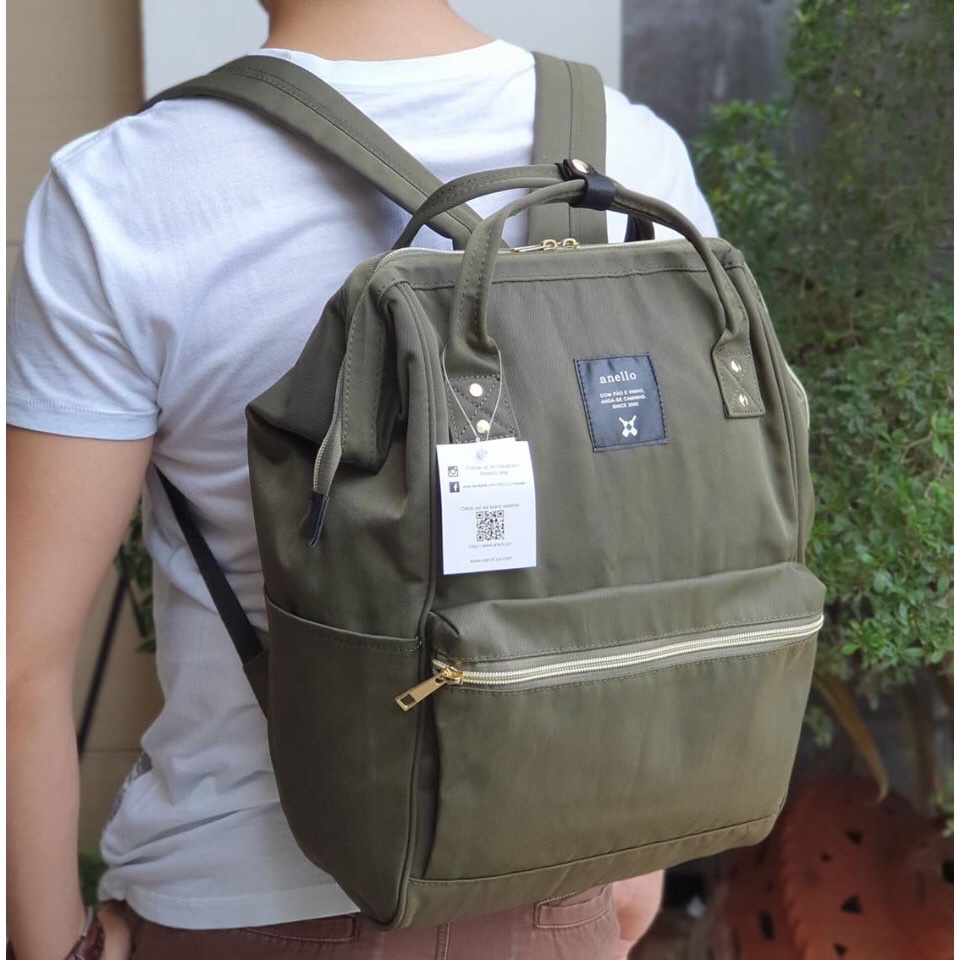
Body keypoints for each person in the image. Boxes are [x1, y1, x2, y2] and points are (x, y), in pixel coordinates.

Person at [7, 1, 716, 957]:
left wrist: (58, 946)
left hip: (236, 899)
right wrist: (633, 855)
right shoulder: (630, 153)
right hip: (552, 879)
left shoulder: (123, 191)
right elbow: (678, 540)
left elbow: (19, 662)